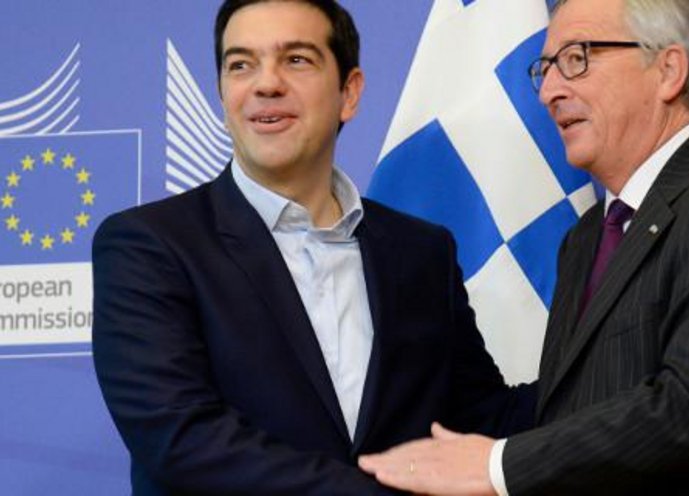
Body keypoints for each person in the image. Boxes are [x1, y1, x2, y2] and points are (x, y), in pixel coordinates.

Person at [358, 0, 689, 494]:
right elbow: (573, 407)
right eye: (545, 68)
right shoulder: (587, 237)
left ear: (668, 70)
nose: (548, 91)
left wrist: (496, 466)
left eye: (576, 58)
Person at [91, 1, 532, 494]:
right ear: (222, 94)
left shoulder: (421, 252)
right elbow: (182, 439)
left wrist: (604, 388)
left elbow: (481, 418)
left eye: (296, 60)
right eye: (241, 65)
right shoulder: (150, 245)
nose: (266, 84)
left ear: (349, 92)